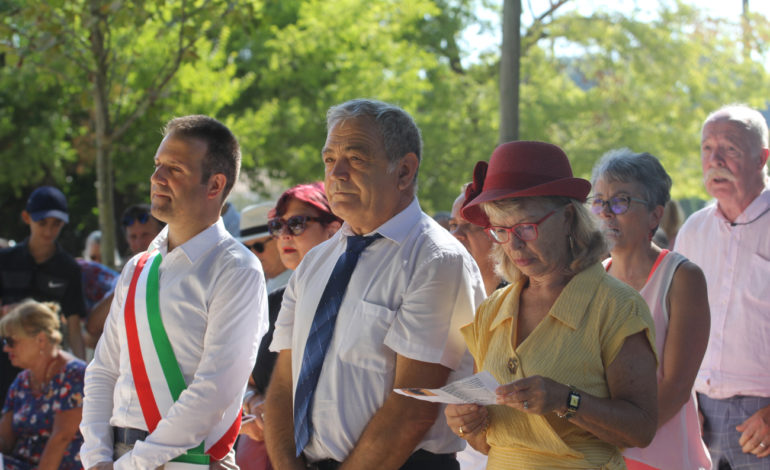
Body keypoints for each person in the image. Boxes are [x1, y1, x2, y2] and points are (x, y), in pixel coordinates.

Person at [264, 99, 485, 470]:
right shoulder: (316, 262)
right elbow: (284, 384)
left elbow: (412, 410)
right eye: (329, 159)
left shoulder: (437, 260)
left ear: (403, 171)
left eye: (356, 158)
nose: (336, 173)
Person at [445, 141, 659, 469]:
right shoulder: (493, 310)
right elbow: (488, 442)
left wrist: (567, 400)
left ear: (569, 218)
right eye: (501, 231)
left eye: (526, 228)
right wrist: (466, 422)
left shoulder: (616, 307)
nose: (514, 245)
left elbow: (641, 430)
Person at [79, 115, 269, 470]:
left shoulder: (237, 269)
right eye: (157, 165)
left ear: (215, 185)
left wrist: (129, 465)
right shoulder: (137, 268)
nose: (156, 178)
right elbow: (103, 370)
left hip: (190, 463)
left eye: (175, 168)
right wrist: (95, 457)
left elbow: (214, 390)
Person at [592, 149, 711, 470]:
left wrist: (614, 434)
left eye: (621, 201)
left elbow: (675, 386)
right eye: (599, 201)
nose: (606, 212)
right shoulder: (593, 279)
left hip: (660, 456)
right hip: (600, 453)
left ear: (655, 215)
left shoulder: (682, 277)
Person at [674, 104, 770, 468]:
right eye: (706, 148)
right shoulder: (692, 231)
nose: (715, 160)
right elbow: (673, 328)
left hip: (762, 421)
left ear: (762, 157)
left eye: (729, 148)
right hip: (696, 415)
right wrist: (682, 403)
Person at [238, 182, 341, 470]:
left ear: (334, 230)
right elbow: (242, 381)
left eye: (296, 224)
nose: (283, 235)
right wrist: (253, 404)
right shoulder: (269, 305)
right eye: (276, 225)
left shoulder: (359, 301)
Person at [0, 186, 87, 408]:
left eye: (56, 224)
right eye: (42, 223)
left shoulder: (68, 268)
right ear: (26, 218)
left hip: (47, 365)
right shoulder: (5, 260)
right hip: (6, 357)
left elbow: (74, 325)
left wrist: (84, 376)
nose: (49, 231)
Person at [0, 299, 86, 470]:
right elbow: (5, 441)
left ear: (40, 340)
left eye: (11, 342)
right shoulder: (21, 382)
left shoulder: (75, 376)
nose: (6, 349)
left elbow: (61, 439)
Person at [84, 204, 165, 346]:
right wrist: (129, 281)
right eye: (133, 237)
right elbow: (92, 329)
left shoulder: (175, 270)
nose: (139, 243)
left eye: (145, 235)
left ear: (161, 234)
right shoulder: (126, 275)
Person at [450, 184, 506, 296]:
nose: (455, 234)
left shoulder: (519, 300)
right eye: (453, 224)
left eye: (469, 224)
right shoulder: (446, 294)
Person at [240, 203, 292, 294]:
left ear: (279, 240)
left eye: (259, 246)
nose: (254, 254)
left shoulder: (296, 283)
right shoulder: (255, 283)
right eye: (247, 248)